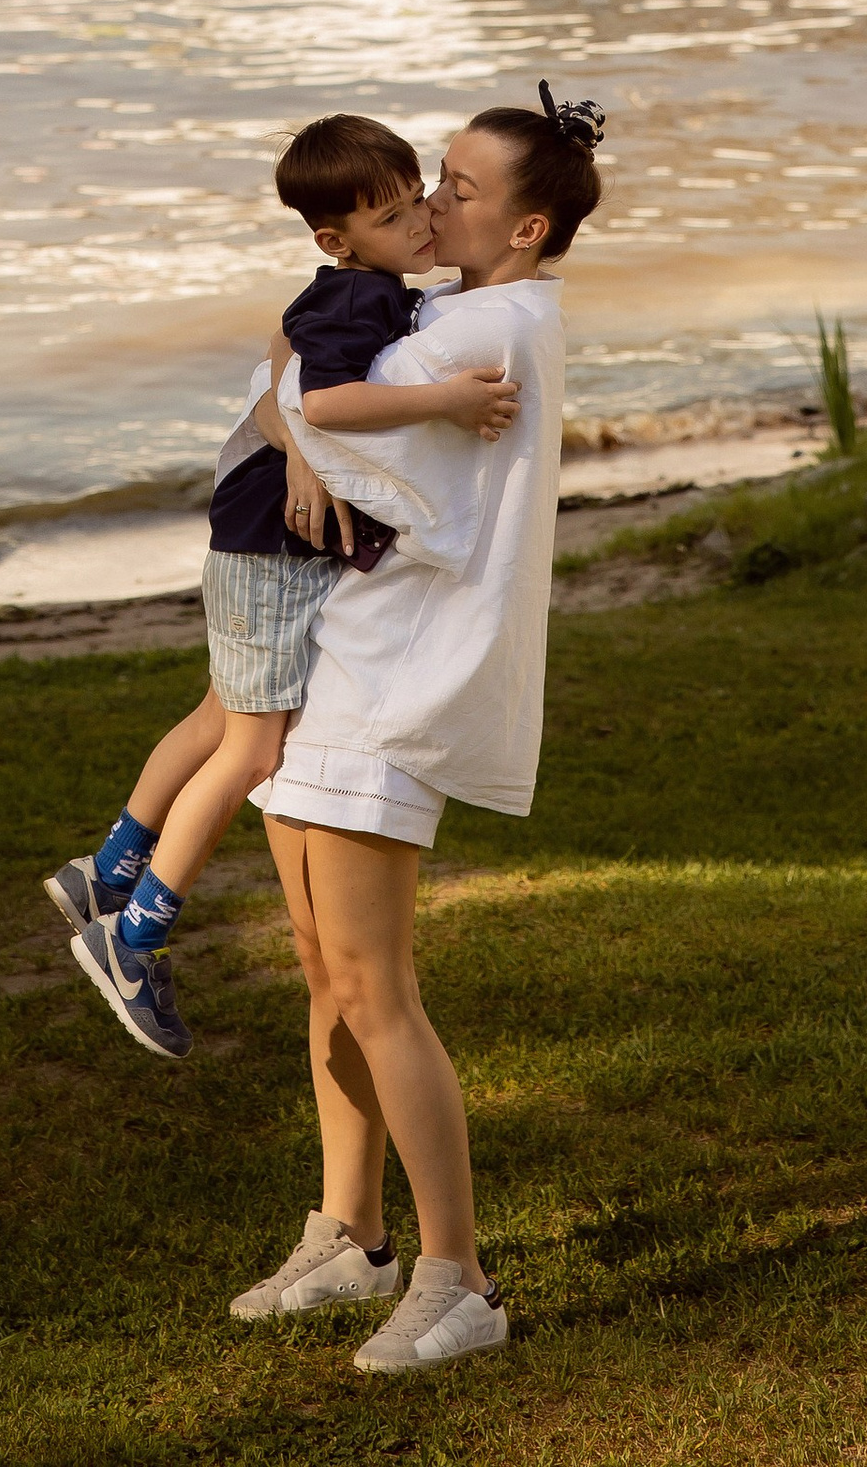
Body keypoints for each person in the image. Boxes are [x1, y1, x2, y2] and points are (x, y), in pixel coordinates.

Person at [233, 86, 603, 1380]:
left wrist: (291, 420)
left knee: (374, 988)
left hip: (394, 682)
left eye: (459, 186)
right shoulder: (446, 308)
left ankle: (460, 1279)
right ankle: (352, 1234)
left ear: (526, 226)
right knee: (324, 972)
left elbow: (296, 389)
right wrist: (293, 419)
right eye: (436, 177)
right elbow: (292, 382)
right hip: (341, 659)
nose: (430, 200)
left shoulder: (493, 324)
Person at [47, 113, 519, 1064]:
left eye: (420, 199)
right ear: (338, 240)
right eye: (394, 217)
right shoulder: (362, 295)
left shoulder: (363, 285)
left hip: (255, 543)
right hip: (270, 550)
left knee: (219, 714)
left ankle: (105, 869)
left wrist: (302, 434)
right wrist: (448, 400)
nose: (421, 223)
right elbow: (323, 394)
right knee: (253, 749)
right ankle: (133, 936)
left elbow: (283, 347)